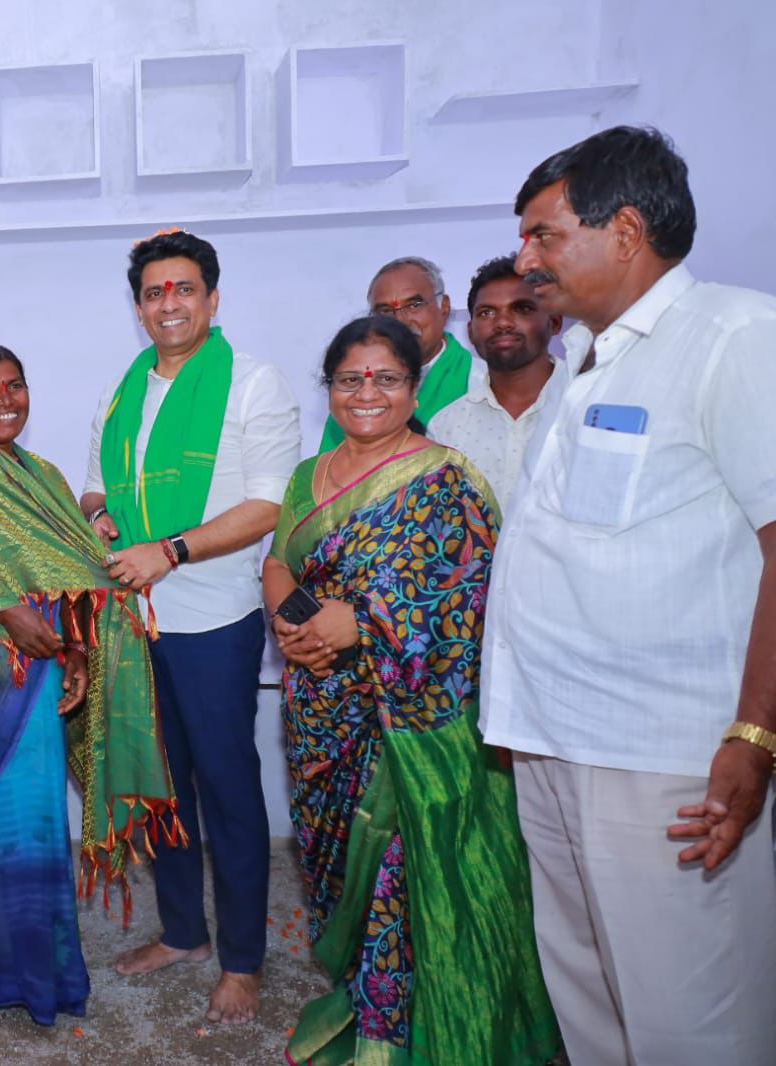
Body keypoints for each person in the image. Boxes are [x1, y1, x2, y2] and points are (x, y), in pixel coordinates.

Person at [483, 125, 776, 1064]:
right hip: (551, 736)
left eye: (543, 234)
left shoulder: (734, 336)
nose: (526, 260)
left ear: (624, 231)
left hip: (661, 755)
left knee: (688, 1014)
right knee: (587, 994)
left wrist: (755, 732)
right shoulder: (582, 358)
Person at [264, 315, 558, 1066]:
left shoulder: (446, 479)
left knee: (404, 878)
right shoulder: (306, 475)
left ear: (414, 388)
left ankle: (401, 1036)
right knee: (340, 873)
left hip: (412, 726)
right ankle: (359, 1000)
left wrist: (360, 625)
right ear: (330, 388)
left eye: (387, 378)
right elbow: (280, 562)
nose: (367, 393)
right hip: (320, 706)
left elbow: (475, 602)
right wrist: (292, 624)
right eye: (349, 379)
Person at [0, 345, 177, 1032]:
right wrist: (4, 611)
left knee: (37, 818)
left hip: (40, 664)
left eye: (14, 385)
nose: (4, 400)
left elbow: (72, 575)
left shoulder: (45, 477)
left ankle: (38, 971)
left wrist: (71, 648)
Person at [81, 229, 300, 1024]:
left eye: (182, 289)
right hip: (134, 622)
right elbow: (94, 487)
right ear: (138, 307)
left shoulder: (251, 383)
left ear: (211, 298)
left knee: (227, 788)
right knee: (161, 784)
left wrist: (169, 550)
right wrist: (99, 518)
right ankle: (182, 932)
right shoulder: (123, 390)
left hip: (213, 619)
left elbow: (268, 503)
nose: (167, 303)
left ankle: (241, 960)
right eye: (153, 292)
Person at [427, 255, 564, 514]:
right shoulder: (445, 428)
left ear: (554, 322)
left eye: (522, 309)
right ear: (470, 331)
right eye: (487, 312)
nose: (502, 323)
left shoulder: (589, 406)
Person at [318, 256, 473, 450]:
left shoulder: (479, 382)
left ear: (444, 306)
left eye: (414, 305)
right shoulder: (354, 393)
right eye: (385, 311)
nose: (400, 321)